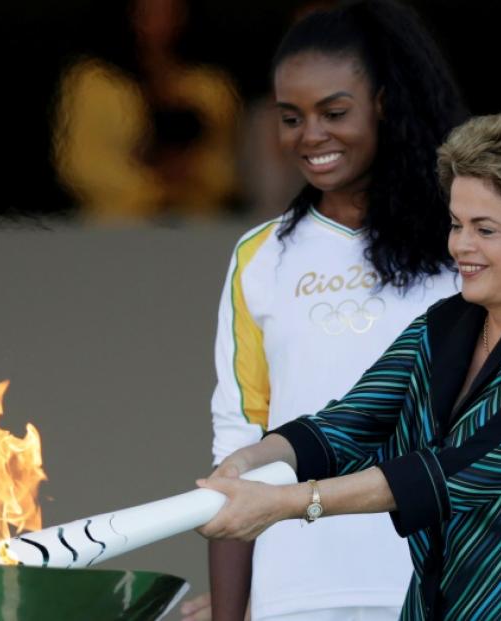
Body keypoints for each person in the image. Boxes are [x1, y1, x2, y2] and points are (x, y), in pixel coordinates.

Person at [198, 112, 501, 620]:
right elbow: (347, 424)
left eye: (485, 229)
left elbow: (452, 474)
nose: (460, 247)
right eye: (456, 224)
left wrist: (286, 503)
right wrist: (249, 462)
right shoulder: (445, 326)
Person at [194, 2, 468, 620]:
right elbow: (239, 439)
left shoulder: (464, 240)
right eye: (291, 118)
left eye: (334, 112)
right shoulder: (260, 257)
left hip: (447, 587)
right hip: (295, 595)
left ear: (388, 103)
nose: (309, 136)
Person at [52, 0, 239, 220]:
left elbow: (228, 166)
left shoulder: (211, 88)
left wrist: (193, 174)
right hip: (115, 228)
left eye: (169, 12)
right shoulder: (92, 82)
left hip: (195, 226)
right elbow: (79, 164)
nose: (159, 23)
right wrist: (154, 184)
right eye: (147, 12)